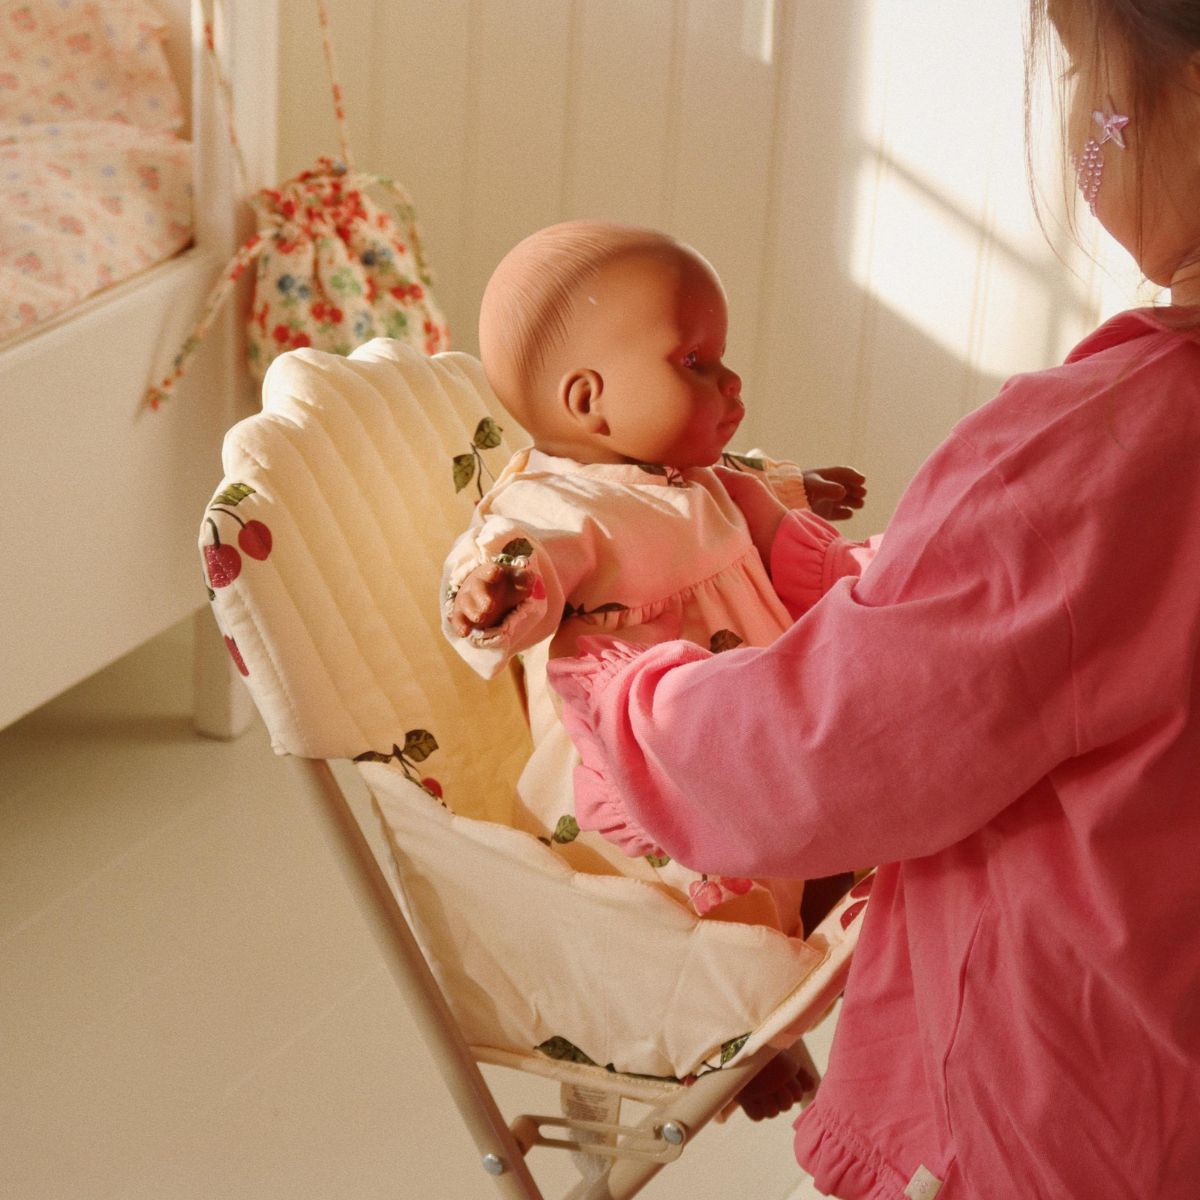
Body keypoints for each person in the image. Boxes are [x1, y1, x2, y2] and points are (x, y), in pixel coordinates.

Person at [546, 1, 1200, 1195]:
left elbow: (812, 752)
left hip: (1079, 1115)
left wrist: (613, 682)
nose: (1075, 122)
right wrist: (837, 572)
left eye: (1078, 72)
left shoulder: (1088, 452)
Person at [441, 220, 867, 1117]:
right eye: (697, 362)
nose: (730, 381)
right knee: (713, 906)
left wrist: (799, 487)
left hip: (739, 736)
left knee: (801, 850)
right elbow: (517, 556)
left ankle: (788, 985)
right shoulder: (555, 502)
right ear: (591, 401)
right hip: (648, 765)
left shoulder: (687, 474)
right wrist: (494, 591)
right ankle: (740, 1043)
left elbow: (745, 490)